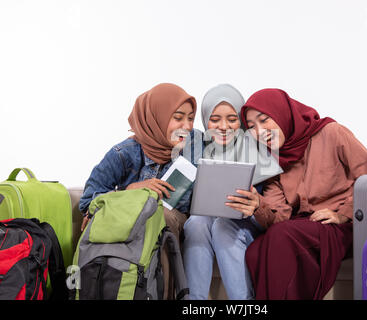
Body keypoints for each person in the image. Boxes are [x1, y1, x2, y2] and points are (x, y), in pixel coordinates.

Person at [237, 88, 367, 300]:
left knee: (281, 236)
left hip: (343, 227)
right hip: (303, 227)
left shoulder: (332, 132)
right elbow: (280, 216)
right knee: (255, 252)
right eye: (251, 127)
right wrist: (258, 206)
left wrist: (344, 213)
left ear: (281, 113)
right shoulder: (271, 161)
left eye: (264, 120)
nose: (259, 131)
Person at [78, 83, 203, 299]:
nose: (187, 126)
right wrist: (131, 191)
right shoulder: (124, 153)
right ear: (157, 117)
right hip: (132, 229)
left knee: (160, 215)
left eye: (190, 118)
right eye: (178, 117)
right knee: (153, 214)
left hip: (176, 224)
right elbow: (88, 200)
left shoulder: (195, 146)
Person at [182, 84, 282, 300]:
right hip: (210, 219)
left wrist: (256, 203)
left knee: (222, 226)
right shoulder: (196, 147)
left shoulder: (259, 147)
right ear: (205, 119)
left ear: (242, 120)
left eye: (232, 119)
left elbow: (276, 208)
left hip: (248, 223)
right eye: (215, 119)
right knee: (196, 222)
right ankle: (193, 301)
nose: (223, 126)